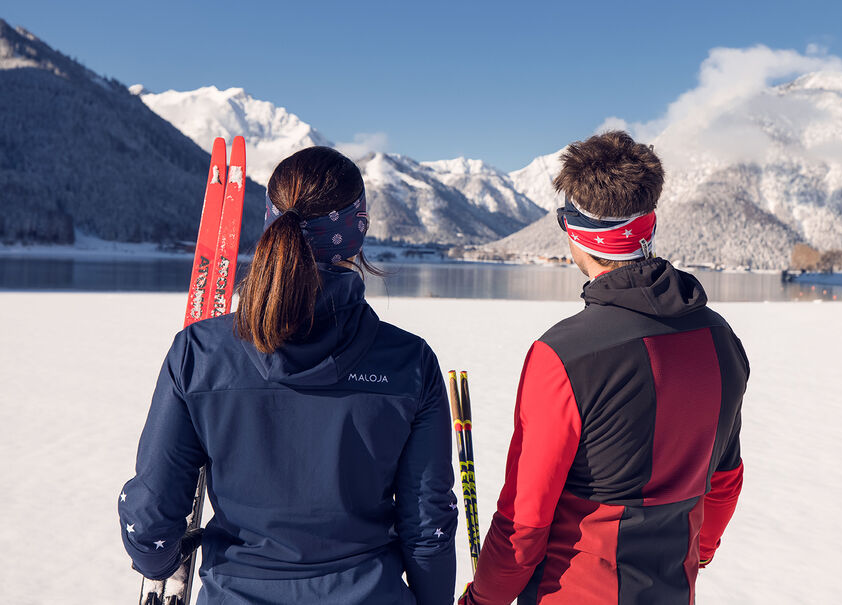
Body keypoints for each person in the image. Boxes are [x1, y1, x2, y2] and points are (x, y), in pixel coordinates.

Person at [119, 147, 457, 604]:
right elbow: (428, 527)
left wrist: (156, 561)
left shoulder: (199, 353)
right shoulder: (409, 363)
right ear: (357, 232)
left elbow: (154, 515)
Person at [460, 131, 748, 605]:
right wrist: (702, 550)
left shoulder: (564, 355)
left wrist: (483, 598)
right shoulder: (719, 339)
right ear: (649, 226)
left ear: (575, 233)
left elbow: (524, 520)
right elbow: (723, 480)